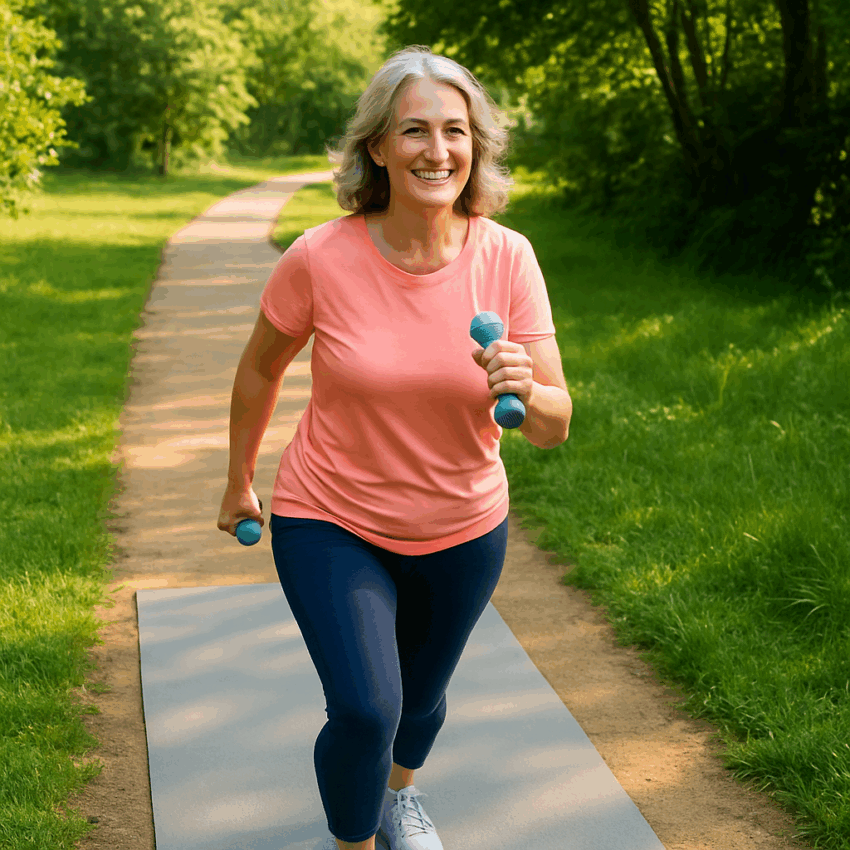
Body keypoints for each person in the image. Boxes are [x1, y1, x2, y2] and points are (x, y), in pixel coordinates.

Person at [218, 45, 572, 850]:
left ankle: (400, 796)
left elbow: (553, 424)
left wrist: (527, 383)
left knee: (418, 703)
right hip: (331, 517)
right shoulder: (319, 256)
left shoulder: (507, 257)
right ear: (378, 145)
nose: (437, 150)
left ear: (475, 146)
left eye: (455, 131)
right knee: (366, 708)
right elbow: (258, 370)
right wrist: (239, 480)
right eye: (414, 130)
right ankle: (356, 841)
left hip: (464, 526)